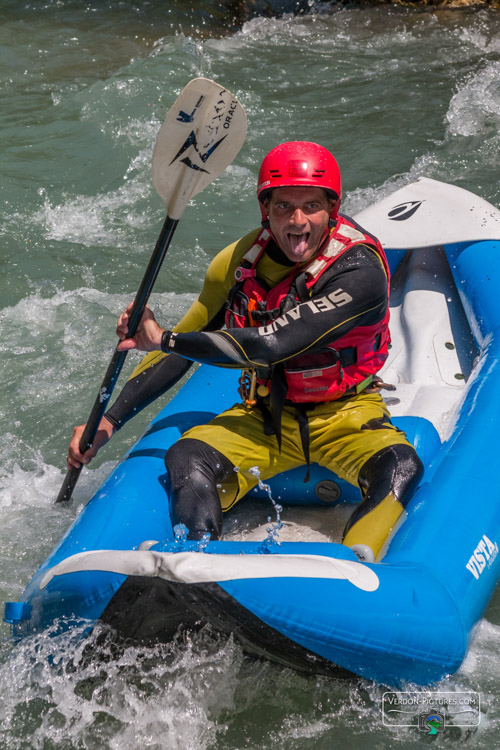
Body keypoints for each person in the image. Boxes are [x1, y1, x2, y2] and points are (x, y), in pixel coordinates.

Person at [68, 141, 423, 563]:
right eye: (283, 207)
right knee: (186, 455)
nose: (297, 222)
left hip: (346, 412)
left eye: (311, 206)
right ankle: (195, 563)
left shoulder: (359, 270)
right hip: (265, 417)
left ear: (332, 208)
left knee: (402, 465)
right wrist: (108, 420)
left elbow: (271, 344)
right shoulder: (236, 264)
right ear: (265, 210)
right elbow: (185, 347)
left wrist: (161, 337)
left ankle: (356, 561)